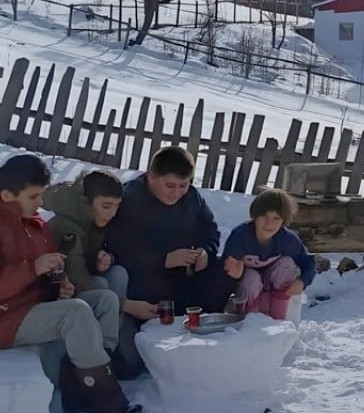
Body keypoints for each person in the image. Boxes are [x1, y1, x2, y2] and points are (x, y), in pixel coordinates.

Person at [0, 154, 141, 413]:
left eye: (41, 196)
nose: (40, 204)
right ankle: (110, 403)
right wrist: (32, 269)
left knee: (105, 300)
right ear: (7, 196)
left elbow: (47, 272)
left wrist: (60, 285)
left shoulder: (34, 225)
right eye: (33, 197)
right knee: (76, 312)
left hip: (30, 307)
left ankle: (85, 383)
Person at [103, 145, 233, 378]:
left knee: (223, 269)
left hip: (183, 282)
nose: (177, 193)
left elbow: (211, 231)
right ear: (151, 177)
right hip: (142, 289)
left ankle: (203, 331)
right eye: (170, 186)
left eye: (183, 186)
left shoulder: (192, 197)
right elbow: (117, 249)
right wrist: (162, 259)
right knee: (131, 365)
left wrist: (205, 252)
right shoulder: (129, 199)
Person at [42, 170, 157, 321]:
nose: (112, 213)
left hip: (82, 280)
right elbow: (78, 279)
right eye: (107, 206)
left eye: (116, 206)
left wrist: (104, 258)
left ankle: (114, 329)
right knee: (101, 285)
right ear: (87, 202)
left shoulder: (93, 218)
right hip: (60, 290)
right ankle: (104, 340)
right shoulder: (67, 227)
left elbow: (91, 256)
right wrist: (127, 305)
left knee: (118, 273)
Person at [221, 189, 317, 320]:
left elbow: (308, 262)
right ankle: (250, 322)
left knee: (287, 264)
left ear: (283, 220)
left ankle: (279, 322)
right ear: (254, 216)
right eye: (264, 217)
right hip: (248, 291)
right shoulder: (240, 236)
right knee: (251, 278)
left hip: (273, 289)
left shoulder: (287, 239)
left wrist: (301, 282)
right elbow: (223, 269)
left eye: (276, 218)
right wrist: (234, 275)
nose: (269, 223)